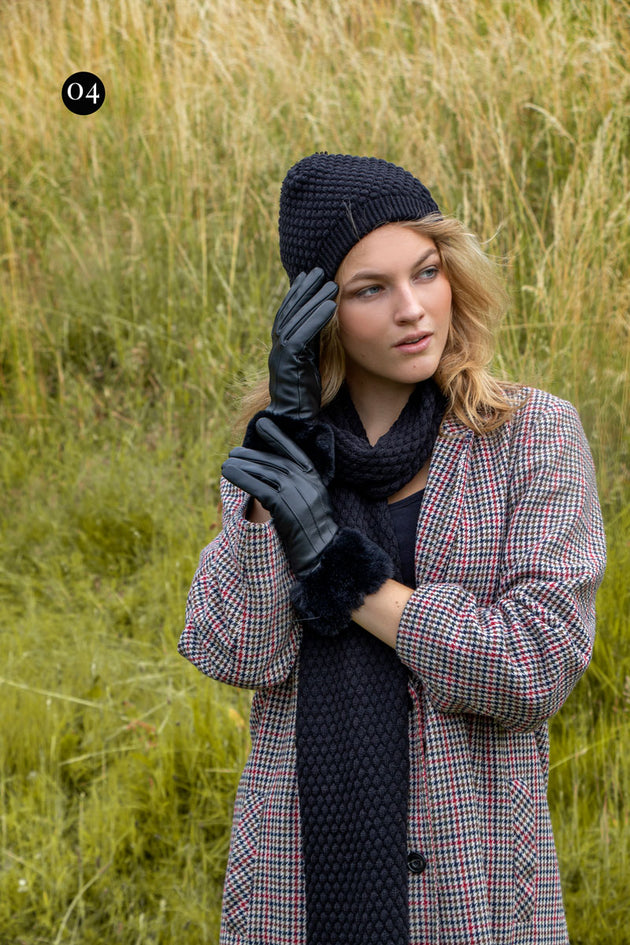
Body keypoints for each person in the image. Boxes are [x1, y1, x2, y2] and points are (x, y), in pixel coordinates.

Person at [178, 152, 607, 945]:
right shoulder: (281, 450)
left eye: (427, 271)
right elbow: (234, 647)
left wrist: (340, 568)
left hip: (471, 890)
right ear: (318, 314)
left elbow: (534, 663)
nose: (414, 309)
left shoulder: (529, 436)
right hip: (295, 887)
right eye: (370, 289)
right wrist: (286, 469)